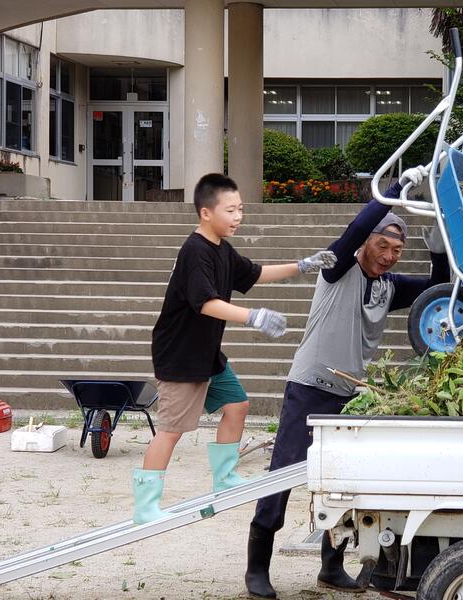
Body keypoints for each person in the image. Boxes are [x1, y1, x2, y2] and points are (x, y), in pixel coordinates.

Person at [245, 165, 450, 598]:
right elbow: (355, 226)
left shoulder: (389, 286)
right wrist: (396, 189)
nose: (389, 255)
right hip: (309, 388)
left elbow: (437, 288)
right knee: (283, 475)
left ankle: (331, 566)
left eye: (397, 249)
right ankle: (257, 568)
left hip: (348, 395)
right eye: (382, 245)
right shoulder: (337, 267)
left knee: (341, 481)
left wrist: (437, 244)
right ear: (365, 244)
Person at [132, 173, 337, 525]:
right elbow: (205, 303)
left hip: (207, 353)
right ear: (205, 213)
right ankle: (145, 507)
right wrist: (253, 316)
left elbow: (254, 274)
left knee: (237, 405)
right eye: (230, 210)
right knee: (171, 430)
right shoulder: (195, 251)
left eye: (240, 209)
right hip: (180, 355)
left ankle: (224, 477)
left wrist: (303, 266)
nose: (238, 216)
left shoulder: (222, 249)